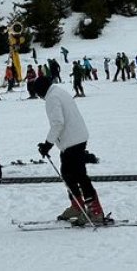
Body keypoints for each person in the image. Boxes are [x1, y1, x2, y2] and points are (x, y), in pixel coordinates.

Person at [34, 75, 107, 224]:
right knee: (68, 175)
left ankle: (95, 210)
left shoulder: (52, 98)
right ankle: (77, 205)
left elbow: (58, 123)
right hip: (76, 138)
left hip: (72, 141)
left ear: (41, 91)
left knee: (79, 176)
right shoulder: (59, 91)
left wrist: (47, 144)